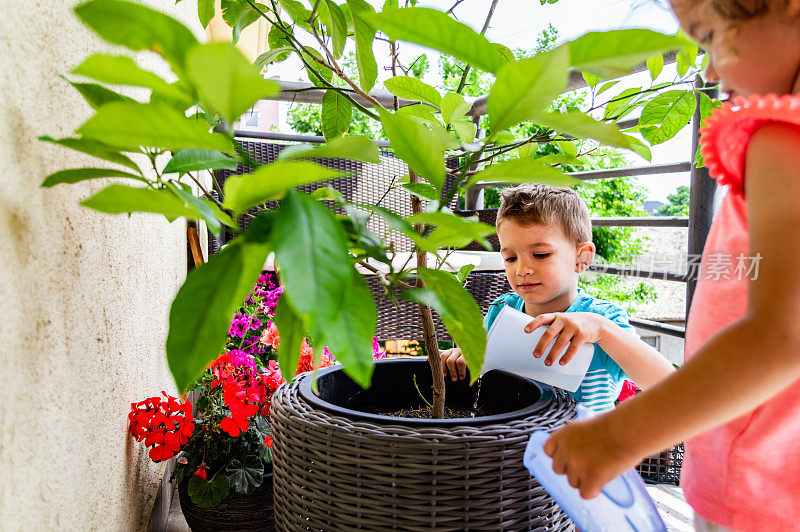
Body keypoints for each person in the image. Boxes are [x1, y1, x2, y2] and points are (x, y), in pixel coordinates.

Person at [541, 1, 800, 530]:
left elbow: (782, 334)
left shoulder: (780, 138)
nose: (707, 68)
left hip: (755, 488)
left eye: (709, 37)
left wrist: (619, 436)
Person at [440, 184, 674, 413]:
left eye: (540, 255)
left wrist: (602, 330)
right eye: (510, 258)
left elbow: (668, 385)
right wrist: (461, 356)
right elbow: (480, 369)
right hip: (510, 445)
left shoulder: (602, 319)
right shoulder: (502, 309)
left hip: (584, 447)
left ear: (581, 258)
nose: (522, 269)